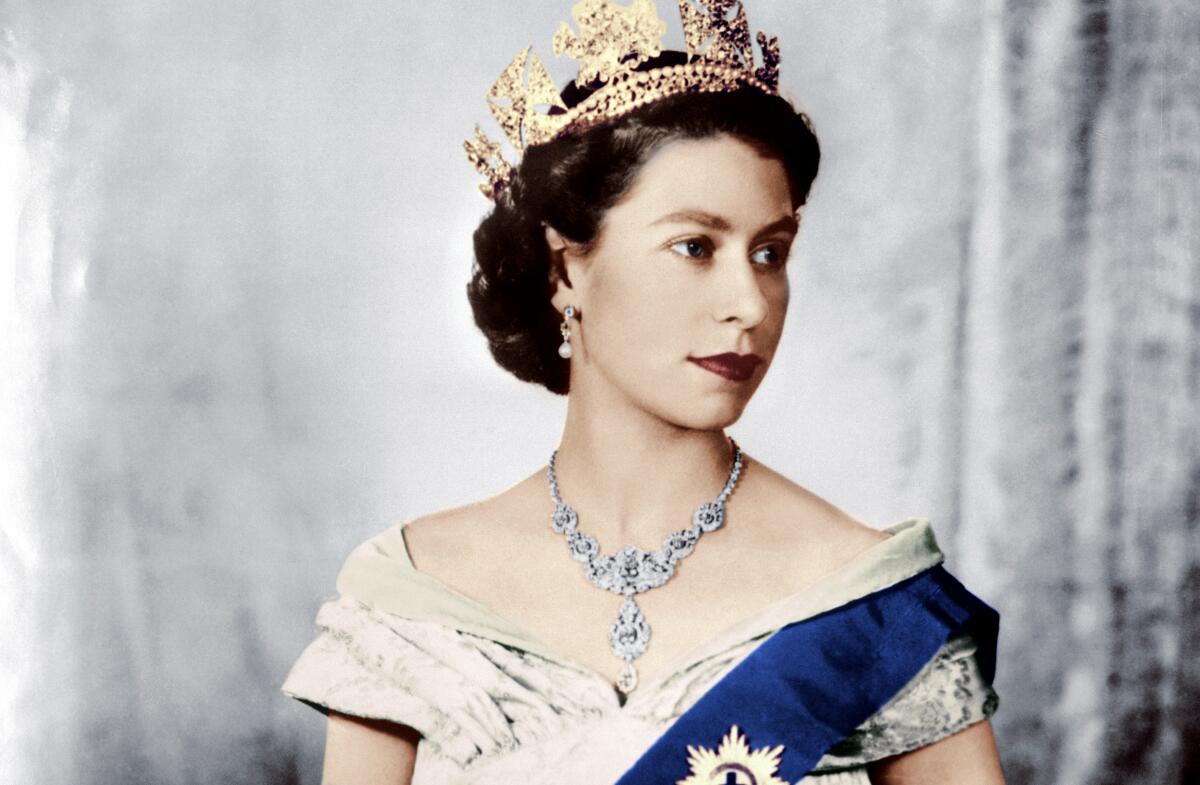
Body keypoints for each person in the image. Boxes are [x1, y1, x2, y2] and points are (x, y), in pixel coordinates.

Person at [281, 1, 1006, 783]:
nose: (751, 304)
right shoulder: (412, 600)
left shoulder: (875, 606)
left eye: (770, 252)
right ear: (566, 270)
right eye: (695, 246)